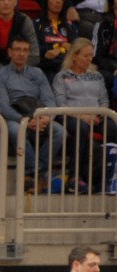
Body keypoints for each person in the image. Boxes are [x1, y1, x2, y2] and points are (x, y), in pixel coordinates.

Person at [0, 38, 67, 194]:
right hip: (15, 116)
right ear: (10, 52)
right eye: (18, 49)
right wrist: (24, 121)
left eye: (25, 50)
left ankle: (35, 171)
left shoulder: (37, 73)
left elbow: (49, 99)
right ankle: (36, 171)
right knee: (15, 130)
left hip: (37, 113)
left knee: (60, 131)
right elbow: (2, 106)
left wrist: (48, 117)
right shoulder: (0, 75)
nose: (21, 54)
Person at [52, 39, 115, 191]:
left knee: (113, 128)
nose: (89, 59)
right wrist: (82, 116)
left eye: (91, 56)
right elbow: (61, 103)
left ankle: (111, 174)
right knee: (81, 128)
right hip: (71, 116)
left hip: (96, 116)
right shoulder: (62, 76)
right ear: (74, 56)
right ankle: (74, 176)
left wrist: (99, 114)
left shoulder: (97, 76)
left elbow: (104, 100)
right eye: (85, 56)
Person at [0, 0, 40, 104]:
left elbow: (34, 55)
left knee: (37, 73)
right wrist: (6, 71)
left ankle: (29, 111)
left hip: (18, 66)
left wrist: (16, 69)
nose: (6, 3)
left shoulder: (24, 20)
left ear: (15, 3)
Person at [35, 0, 78, 82]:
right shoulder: (37, 24)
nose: (58, 1)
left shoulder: (70, 26)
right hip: (46, 66)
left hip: (66, 66)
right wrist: (51, 48)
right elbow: (34, 47)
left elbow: (77, 47)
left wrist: (70, 48)